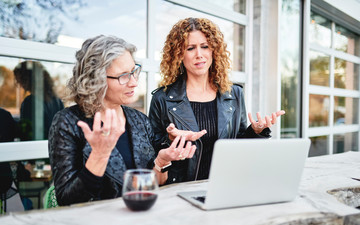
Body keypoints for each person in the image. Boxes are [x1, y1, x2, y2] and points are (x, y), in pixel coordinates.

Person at [48, 35, 196, 206]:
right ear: (96, 80)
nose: (134, 82)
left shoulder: (139, 120)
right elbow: (67, 199)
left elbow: (155, 183)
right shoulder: (68, 122)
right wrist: (99, 156)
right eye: (123, 76)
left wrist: (161, 163)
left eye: (134, 71)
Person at [149, 17, 285, 185]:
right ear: (178, 54)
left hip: (226, 186)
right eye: (190, 48)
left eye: (204, 46)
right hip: (179, 191)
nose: (199, 54)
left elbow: (239, 144)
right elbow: (153, 152)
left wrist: (256, 131)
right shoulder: (162, 99)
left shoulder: (234, 94)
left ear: (214, 50)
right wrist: (170, 139)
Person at [14, 61, 64, 140]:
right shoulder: (57, 101)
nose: (19, 84)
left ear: (27, 79)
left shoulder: (30, 102)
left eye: (19, 80)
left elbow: (27, 134)